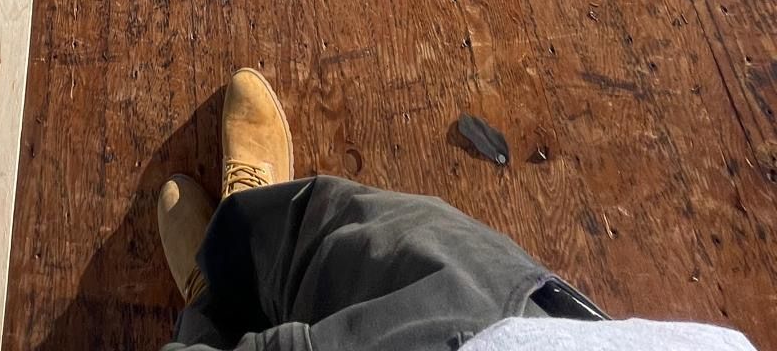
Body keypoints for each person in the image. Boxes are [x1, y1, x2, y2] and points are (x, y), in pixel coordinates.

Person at [157, 68, 758, 351]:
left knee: (317, 249)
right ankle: (243, 251)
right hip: (514, 331)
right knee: (339, 237)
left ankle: (212, 302)